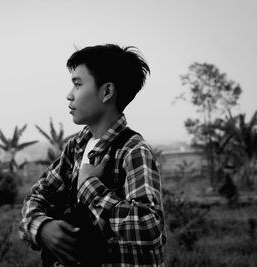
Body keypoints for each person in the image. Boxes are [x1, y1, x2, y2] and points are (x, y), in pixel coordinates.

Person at [19, 44, 166, 267]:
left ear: (106, 92)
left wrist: (88, 185)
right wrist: (42, 227)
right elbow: (37, 196)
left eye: (78, 84)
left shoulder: (133, 150)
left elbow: (149, 227)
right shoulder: (75, 147)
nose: (69, 95)